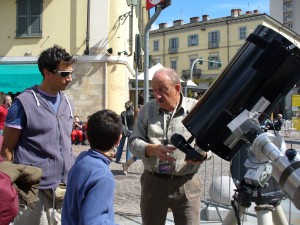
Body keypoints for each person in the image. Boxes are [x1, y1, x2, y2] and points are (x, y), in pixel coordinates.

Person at [1, 44, 76, 225]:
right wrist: (16, 190)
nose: (70, 79)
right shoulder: (23, 103)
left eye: (71, 73)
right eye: (64, 74)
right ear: (47, 72)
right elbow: (6, 151)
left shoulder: (68, 102)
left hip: (63, 189)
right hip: (33, 192)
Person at [128, 67, 212, 225]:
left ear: (177, 88)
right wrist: (151, 149)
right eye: (154, 90)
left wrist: (202, 154)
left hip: (187, 184)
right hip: (153, 183)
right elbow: (133, 142)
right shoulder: (146, 110)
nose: (158, 95)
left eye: (162, 90)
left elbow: (211, 144)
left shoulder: (196, 109)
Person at [62, 109, 122, 225]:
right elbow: (94, 221)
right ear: (118, 140)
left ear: (87, 136)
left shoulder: (82, 159)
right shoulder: (103, 175)